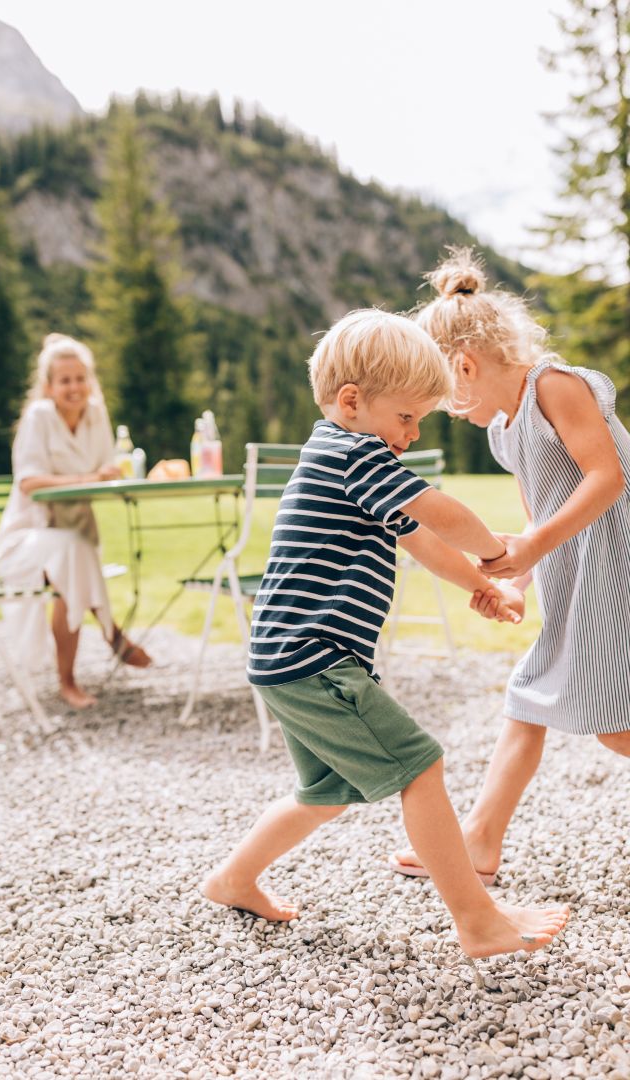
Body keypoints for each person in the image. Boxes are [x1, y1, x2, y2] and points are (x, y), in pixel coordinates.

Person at [203, 309, 569, 959]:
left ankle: (233, 878)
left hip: (288, 656)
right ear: (353, 402)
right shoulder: (355, 453)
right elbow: (440, 512)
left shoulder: (344, 460)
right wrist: (498, 552)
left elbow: (421, 540)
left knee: (325, 791)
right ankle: (476, 920)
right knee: (421, 766)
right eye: (407, 417)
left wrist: (481, 587)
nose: (412, 433)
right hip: (315, 656)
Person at [391, 248, 630, 885]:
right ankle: (479, 841)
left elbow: (607, 477)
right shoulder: (504, 428)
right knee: (529, 697)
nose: (449, 412)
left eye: (445, 397)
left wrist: (528, 552)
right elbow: (535, 523)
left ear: (465, 365)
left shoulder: (557, 386)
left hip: (615, 564)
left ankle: (479, 839)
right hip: (577, 571)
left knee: (612, 722)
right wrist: (515, 579)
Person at [0, 333, 151, 709]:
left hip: (76, 532)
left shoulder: (97, 414)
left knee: (73, 552)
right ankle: (95, 653)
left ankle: (107, 642)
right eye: (65, 380)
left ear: (90, 381)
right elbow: (28, 482)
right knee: (70, 556)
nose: (74, 387)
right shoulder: (38, 417)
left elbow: (104, 467)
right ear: (49, 386)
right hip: (28, 536)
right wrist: (88, 479)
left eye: (80, 378)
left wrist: (107, 474)